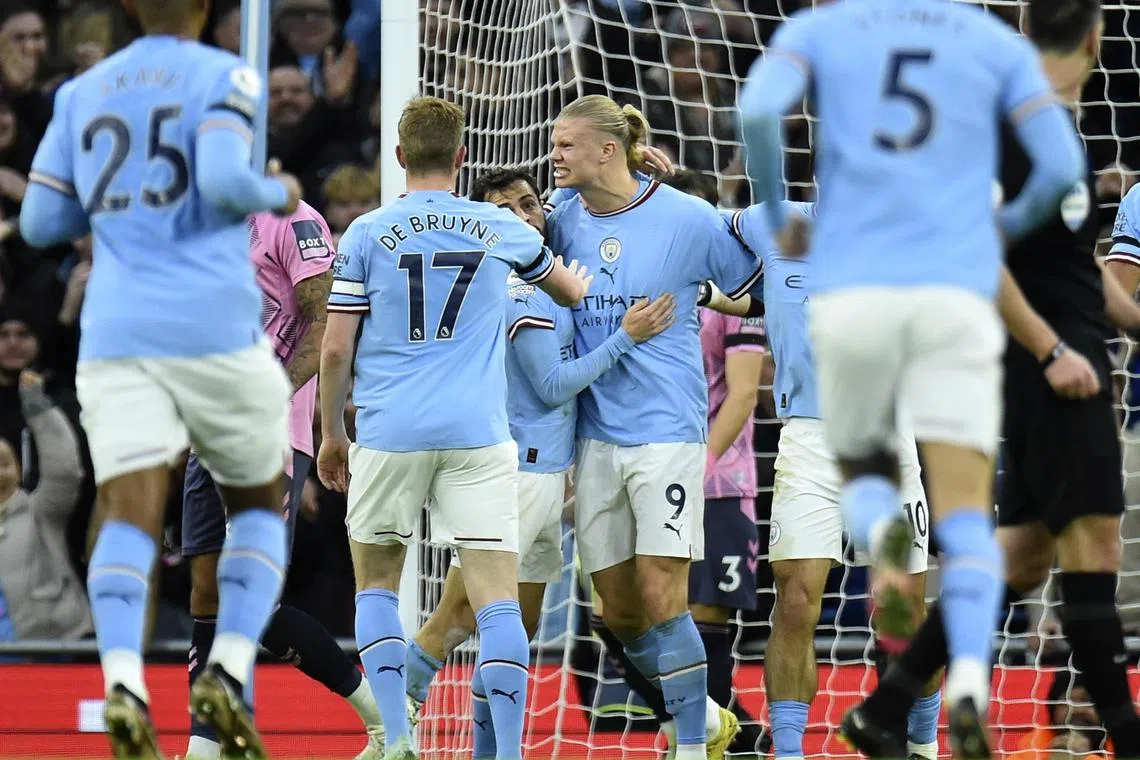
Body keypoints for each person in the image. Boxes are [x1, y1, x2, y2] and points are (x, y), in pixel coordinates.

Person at [739, 0, 1085, 753]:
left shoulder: (823, 31)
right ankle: (962, 683)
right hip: (946, 288)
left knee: (865, 477)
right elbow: (1062, 168)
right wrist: (1002, 225)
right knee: (964, 525)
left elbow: (760, 111)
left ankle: (881, 533)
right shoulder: (987, 36)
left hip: (860, 285)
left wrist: (773, 205)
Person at [18, 0, 303, 755]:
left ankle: (122, 682)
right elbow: (221, 179)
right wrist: (278, 191)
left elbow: (43, 223)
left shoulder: (79, 93)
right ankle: (227, 674)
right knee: (259, 510)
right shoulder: (225, 72)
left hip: (116, 333)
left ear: (128, 10)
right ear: (207, 8)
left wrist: (119, 205)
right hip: (213, 328)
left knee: (128, 514)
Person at [317, 96, 589, 760]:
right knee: (498, 600)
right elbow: (568, 292)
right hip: (477, 435)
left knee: (378, 586)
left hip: (388, 432)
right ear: (462, 157)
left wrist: (331, 433)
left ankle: (396, 735)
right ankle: (511, 751)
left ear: (400, 156)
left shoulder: (366, 233)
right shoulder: (498, 227)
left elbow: (332, 350)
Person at [402, 167, 675, 758]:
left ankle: (480, 750)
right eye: (510, 211)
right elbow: (552, 386)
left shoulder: (529, 264)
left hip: (537, 473)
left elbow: (561, 193)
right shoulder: (523, 290)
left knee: (514, 632)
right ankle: (390, 729)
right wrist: (625, 336)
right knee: (455, 618)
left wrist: (633, 160)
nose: (527, 216)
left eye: (531, 205)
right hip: (517, 475)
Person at [544, 94, 765, 760]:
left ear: (607, 150)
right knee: (617, 610)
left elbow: (752, 288)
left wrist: (703, 293)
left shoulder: (688, 218)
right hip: (593, 438)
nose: (553, 156)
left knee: (663, 593)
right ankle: (709, 715)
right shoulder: (557, 223)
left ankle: (690, 743)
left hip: (668, 430)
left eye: (564, 145)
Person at [717, 198, 942, 760]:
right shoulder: (777, 221)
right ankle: (789, 752)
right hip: (809, 438)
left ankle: (924, 745)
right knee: (795, 600)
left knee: (903, 612)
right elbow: (701, 224)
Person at [179, 203, 383, 760]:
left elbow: (325, 321)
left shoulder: (293, 220)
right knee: (206, 594)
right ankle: (205, 744)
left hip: (268, 433)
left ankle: (382, 718)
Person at [0, 369, 89, 643]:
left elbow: (63, 470)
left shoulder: (40, 510)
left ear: (18, 469)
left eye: (3, 463)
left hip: (55, 650)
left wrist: (37, 406)